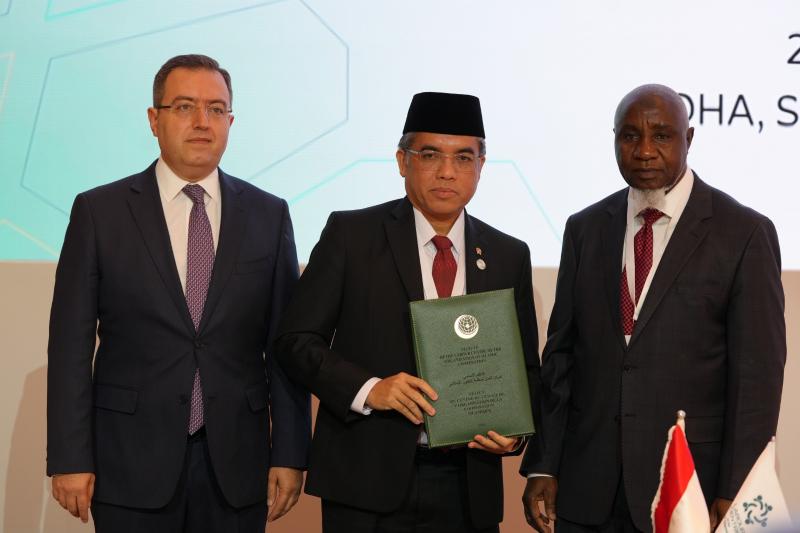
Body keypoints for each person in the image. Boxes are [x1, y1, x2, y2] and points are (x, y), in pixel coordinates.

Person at [46, 54, 311, 532]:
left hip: (236, 463)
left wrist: (290, 452)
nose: (202, 122)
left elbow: (284, 346)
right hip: (129, 460)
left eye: (216, 109)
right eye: (185, 107)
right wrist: (69, 457)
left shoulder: (269, 215)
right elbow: (70, 347)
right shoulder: (100, 212)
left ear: (230, 122)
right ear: (154, 119)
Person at [521, 84, 786, 533]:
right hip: (586, 490)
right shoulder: (585, 228)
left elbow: (756, 377)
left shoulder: (743, 233)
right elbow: (562, 357)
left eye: (661, 135)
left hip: (687, 492)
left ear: (689, 138)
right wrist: (544, 463)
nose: (644, 151)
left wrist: (737, 488)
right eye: (630, 136)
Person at [274, 92, 540, 533]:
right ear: (402, 161)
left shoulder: (508, 254)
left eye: (464, 158)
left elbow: (525, 368)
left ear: (481, 166)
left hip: (467, 487)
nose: (447, 171)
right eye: (430, 155)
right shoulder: (351, 235)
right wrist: (369, 389)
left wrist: (514, 435)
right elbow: (294, 341)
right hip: (365, 483)